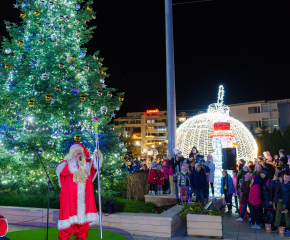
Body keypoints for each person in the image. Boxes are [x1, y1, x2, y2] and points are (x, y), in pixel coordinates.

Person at [56, 143, 102, 240]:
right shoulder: (65, 163)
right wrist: (74, 161)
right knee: (67, 224)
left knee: (82, 224)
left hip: (84, 199)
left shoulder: (87, 163)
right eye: (76, 150)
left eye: (80, 150)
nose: (78, 152)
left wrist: (97, 157)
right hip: (69, 199)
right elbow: (61, 173)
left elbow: (95, 167)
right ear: (72, 152)